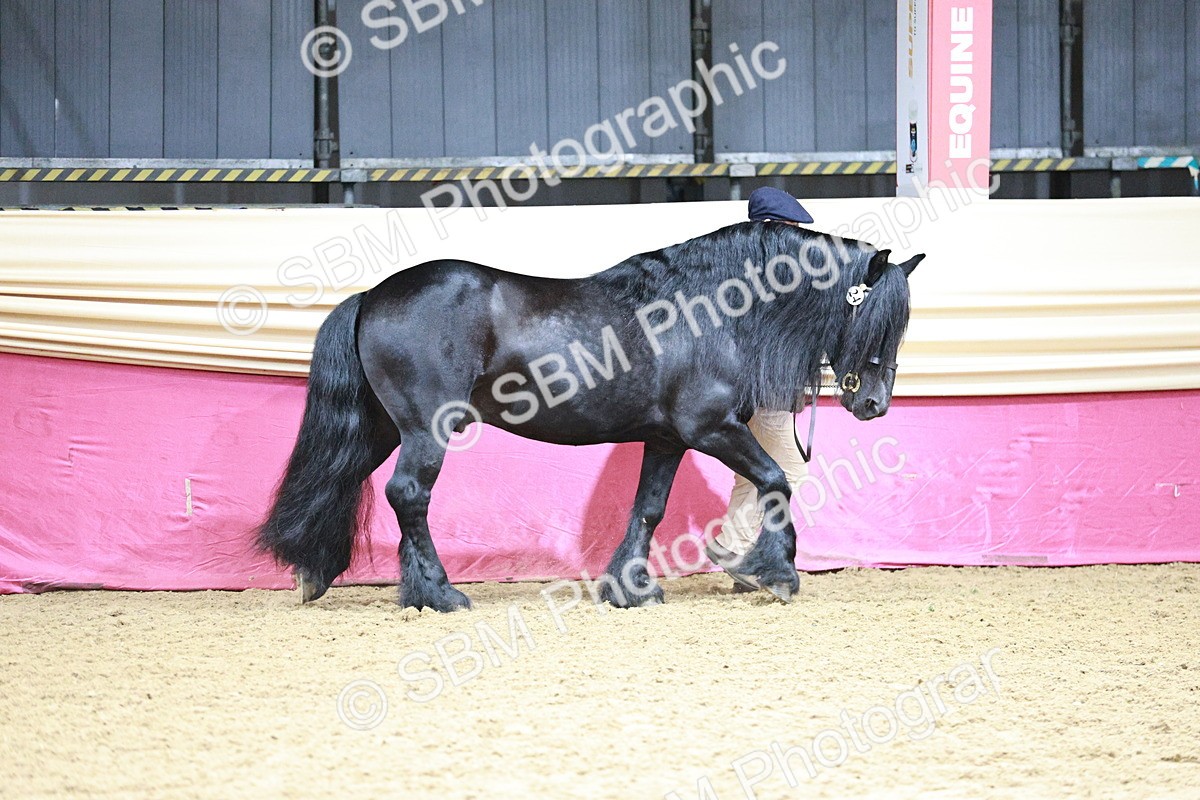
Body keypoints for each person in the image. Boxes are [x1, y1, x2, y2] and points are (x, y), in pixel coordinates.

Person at [705, 187, 814, 592]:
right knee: (790, 471)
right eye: (790, 227)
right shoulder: (777, 277)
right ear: (770, 227)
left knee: (750, 476)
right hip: (769, 395)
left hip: (750, 394)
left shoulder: (744, 272)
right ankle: (734, 546)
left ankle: (741, 557)